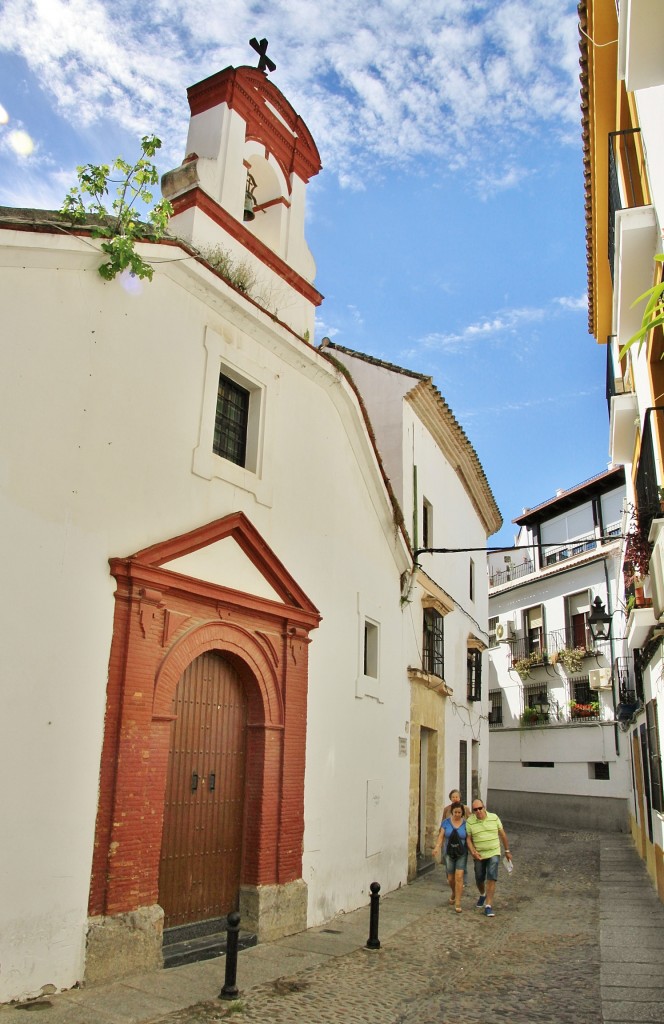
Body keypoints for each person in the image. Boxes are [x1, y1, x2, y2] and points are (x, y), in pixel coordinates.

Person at [465, 799, 512, 918]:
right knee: (479, 877)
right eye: (475, 810)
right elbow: (468, 839)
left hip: (494, 852)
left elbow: (502, 834)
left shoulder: (494, 818)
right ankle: (482, 894)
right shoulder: (470, 822)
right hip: (479, 854)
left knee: (492, 875)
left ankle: (488, 905)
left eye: (480, 808)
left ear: (484, 807)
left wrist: (507, 851)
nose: (478, 811)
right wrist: (473, 852)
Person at [431, 800, 468, 912]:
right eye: (455, 812)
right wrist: (437, 847)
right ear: (452, 812)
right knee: (450, 878)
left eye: (459, 812)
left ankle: (458, 901)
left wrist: (474, 851)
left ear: (462, 813)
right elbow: (441, 836)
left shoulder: (466, 824)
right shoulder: (446, 823)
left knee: (459, 876)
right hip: (449, 852)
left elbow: (469, 839)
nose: (457, 814)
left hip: (461, 853)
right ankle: (454, 892)